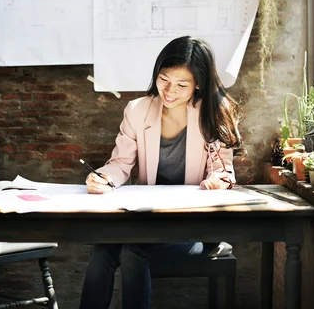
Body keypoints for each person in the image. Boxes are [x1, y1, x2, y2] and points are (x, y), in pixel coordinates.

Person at [79, 35, 246, 309]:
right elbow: (120, 164)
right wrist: (104, 177)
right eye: (164, 79)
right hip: (146, 219)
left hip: (191, 223)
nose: (169, 91)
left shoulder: (213, 112)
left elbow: (222, 170)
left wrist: (218, 180)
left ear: (198, 85)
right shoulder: (137, 110)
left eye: (182, 85)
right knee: (102, 251)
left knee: (133, 250)